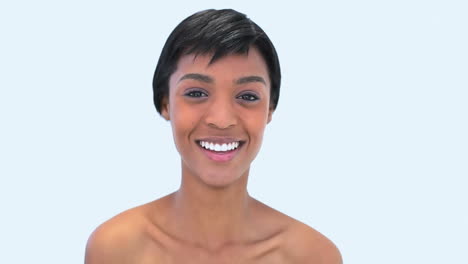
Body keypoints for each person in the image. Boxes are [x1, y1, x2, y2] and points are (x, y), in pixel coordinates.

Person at [85, 9, 342, 263]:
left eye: (248, 96)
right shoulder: (116, 249)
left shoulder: (313, 256)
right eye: (196, 93)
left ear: (270, 110)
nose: (222, 120)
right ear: (165, 104)